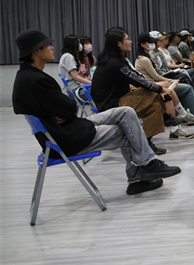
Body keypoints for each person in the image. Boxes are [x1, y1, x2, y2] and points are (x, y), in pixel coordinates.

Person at [12, 29, 181, 195]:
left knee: (127, 112)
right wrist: (60, 111)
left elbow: (65, 108)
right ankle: (139, 176)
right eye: (48, 45)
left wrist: (59, 111)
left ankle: (147, 164)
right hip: (68, 138)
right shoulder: (36, 80)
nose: (52, 48)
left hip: (71, 126)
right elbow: (70, 108)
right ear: (36, 51)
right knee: (129, 130)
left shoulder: (26, 76)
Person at [91, 27, 181, 155]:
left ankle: (147, 143)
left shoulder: (118, 59)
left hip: (122, 98)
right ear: (119, 43)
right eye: (127, 39)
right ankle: (165, 117)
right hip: (110, 104)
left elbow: (137, 76)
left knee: (155, 105)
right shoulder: (113, 63)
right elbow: (137, 81)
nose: (130, 42)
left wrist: (159, 89)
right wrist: (160, 89)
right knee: (152, 92)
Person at [135, 32, 194, 135]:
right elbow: (155, 77)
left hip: (156, 82)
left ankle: (180, 120)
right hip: (152, 84)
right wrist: (172, 81)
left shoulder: (150, 56)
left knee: (170, 89)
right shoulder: (144, 59)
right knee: (170, 90)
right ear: (143, 45)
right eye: (150, 42)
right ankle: (183, 117)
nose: (154, 43)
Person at [58, 34, 92, 100]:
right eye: (78, 43)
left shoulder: (67, 56)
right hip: (75, 90)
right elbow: (76, 77)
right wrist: (91, 83)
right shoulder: (68, 57)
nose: (80, 45)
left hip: (75, 87)